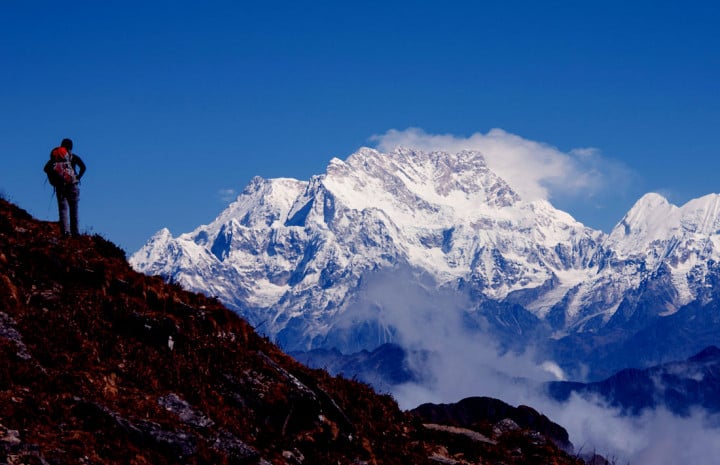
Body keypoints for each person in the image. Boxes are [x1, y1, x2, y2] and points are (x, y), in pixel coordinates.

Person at [44, 138, 86, 237]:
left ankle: (65, 232)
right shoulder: (73, 157)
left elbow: (45, 169)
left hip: (60, 186)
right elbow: (83, 167)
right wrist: (78, 177)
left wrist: (55, 177)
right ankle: (75, 232)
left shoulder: (55, 158)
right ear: (71, 147)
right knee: (74, 209)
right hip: (72, 185)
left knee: (63, 209)